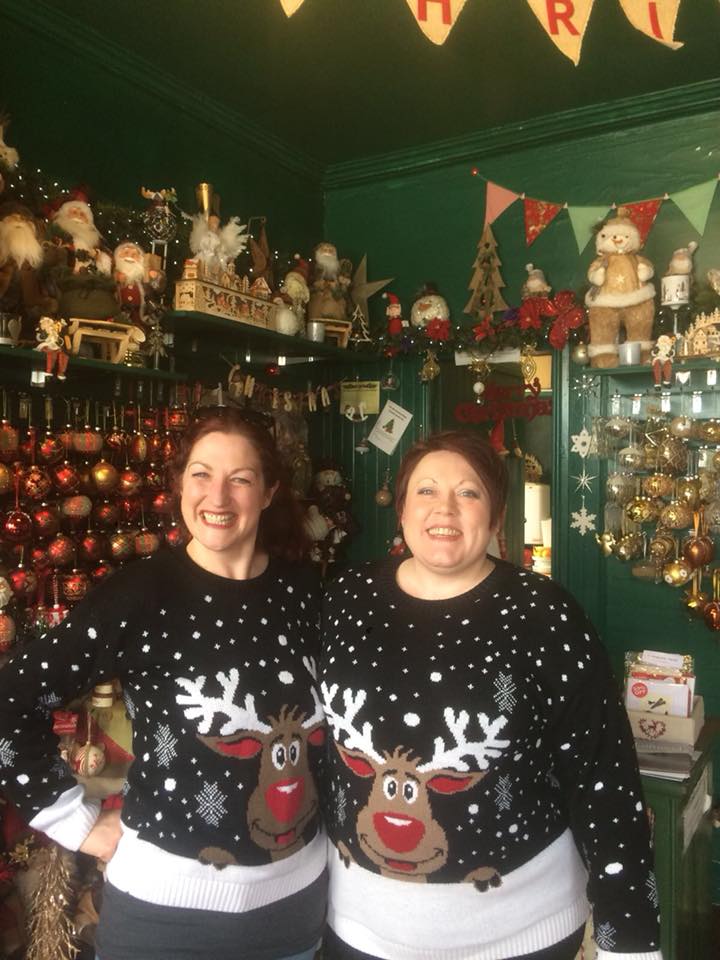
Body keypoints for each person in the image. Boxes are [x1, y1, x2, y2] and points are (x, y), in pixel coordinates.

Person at [319, 430, 662, 960]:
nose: (446, 509)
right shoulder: (346, 597)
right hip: (362, 932)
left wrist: (631, 942)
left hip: (520, 936)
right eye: (427, 491)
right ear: (403, 510)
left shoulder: (545, 614)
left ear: (497, 517)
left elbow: (603, 779)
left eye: (470, 493)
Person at [0, 408, 327, 960]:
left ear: (269, 492)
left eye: (240, 479)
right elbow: (12, 698)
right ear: (180, 485)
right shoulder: (141, 593)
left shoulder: (304, 591)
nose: (217, 497)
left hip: (295, 909)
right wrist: (76, 823)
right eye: (201, 474)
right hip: (166, 919)